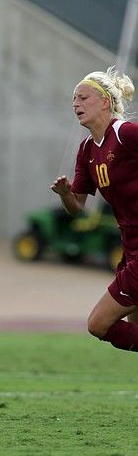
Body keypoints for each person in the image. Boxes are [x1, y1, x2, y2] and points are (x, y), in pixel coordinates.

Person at [51, 66, 138, 352]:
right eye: (74, 100)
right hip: (129, 248)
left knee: (99, 324)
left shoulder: (124, 133)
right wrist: (66, 194)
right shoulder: (87, 149)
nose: (76, 104)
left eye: (83, 97)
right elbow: (77, 208)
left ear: (105, 102)